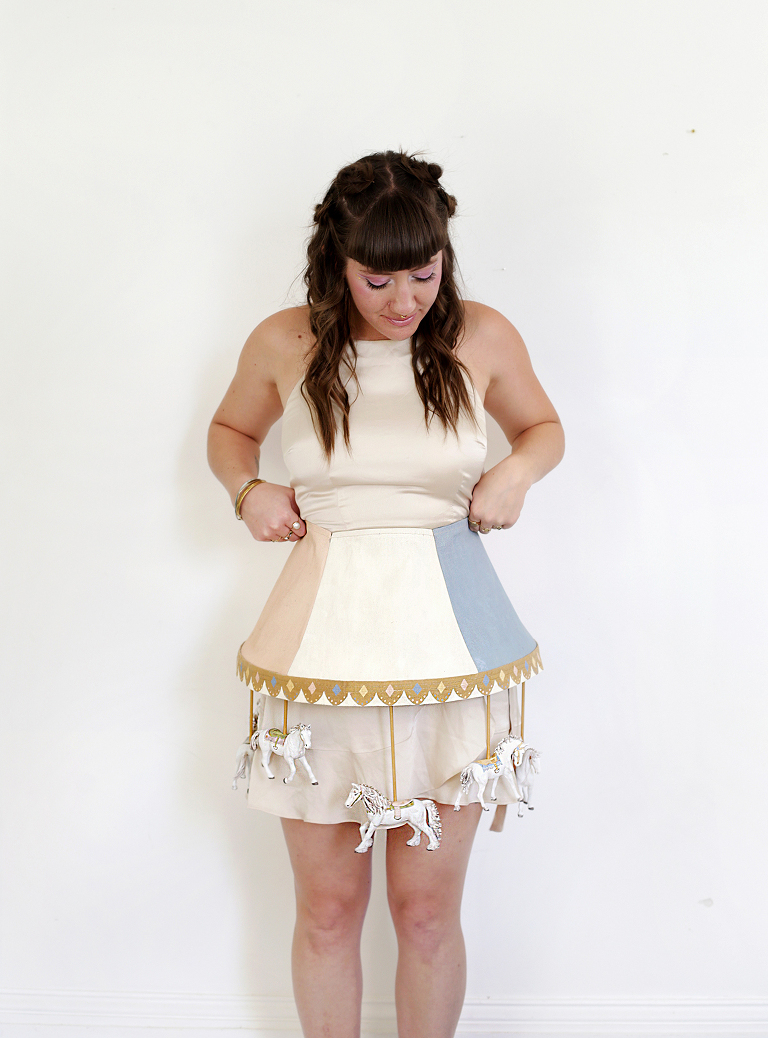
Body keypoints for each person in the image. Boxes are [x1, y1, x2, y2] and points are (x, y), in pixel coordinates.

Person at [208, 151, 564, 1038]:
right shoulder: (283, 340)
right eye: (378, 280)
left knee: (426, 915)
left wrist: (516, 471)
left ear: (444, 257)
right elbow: (229, 432)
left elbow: (544, 428)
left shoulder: (479, 335)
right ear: (337, 264)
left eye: (424, 274)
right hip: (314, 654)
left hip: (456, 654)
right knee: (327, 913)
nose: (405, 301)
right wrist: (249, 491)